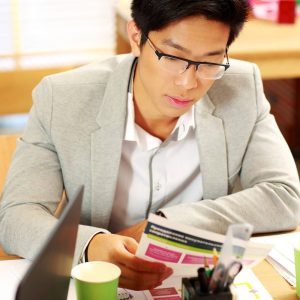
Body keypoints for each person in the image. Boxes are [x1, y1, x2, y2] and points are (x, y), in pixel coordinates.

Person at [1, 0, 300, 291]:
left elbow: (284, 196)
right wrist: (91, 245)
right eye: (172, 57)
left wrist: (167, 226)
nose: (188, 83)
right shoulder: (63, 98)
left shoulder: (242, 86)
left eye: (209, 62)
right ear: (136, 37)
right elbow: (16, 218)